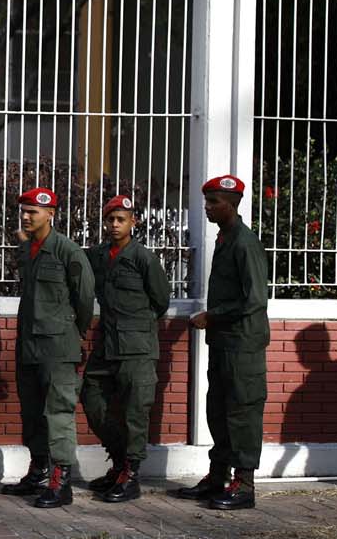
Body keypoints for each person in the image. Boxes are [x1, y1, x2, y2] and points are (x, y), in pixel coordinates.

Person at [180, 174, 270, 511]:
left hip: (243, 344)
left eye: (213, 202)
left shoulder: (245, 243)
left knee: (243, 411)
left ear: (231, 205)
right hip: (224, 342)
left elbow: (255, 299)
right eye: (207, 201)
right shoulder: (226, 239)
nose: (207, 208)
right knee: (218, 411)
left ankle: (244, 485)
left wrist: (212, 315)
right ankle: (217, 476)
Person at [4, 187, 94, 508]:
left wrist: (74, 333)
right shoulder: (29, 250)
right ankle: (39, 470)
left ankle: (61, 479)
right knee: (32, 411)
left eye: (34, 212)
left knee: (57, 414)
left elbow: (84, 298)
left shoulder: (68, 251)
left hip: (58, 346)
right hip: (29, 344)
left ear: (51, 214)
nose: (27, 217)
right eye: (24, 212)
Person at [82, 195, 170, 503]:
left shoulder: (143, 258)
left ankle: (131, 476)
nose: (115, 224)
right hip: (106, 345)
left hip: (138, 349)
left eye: (122, 219)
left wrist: (136, 327)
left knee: (135, 412)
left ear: (134, 222)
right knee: (91, 398)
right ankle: (119, 462)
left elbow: (161, 301)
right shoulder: (98, 256)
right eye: (111, 219)